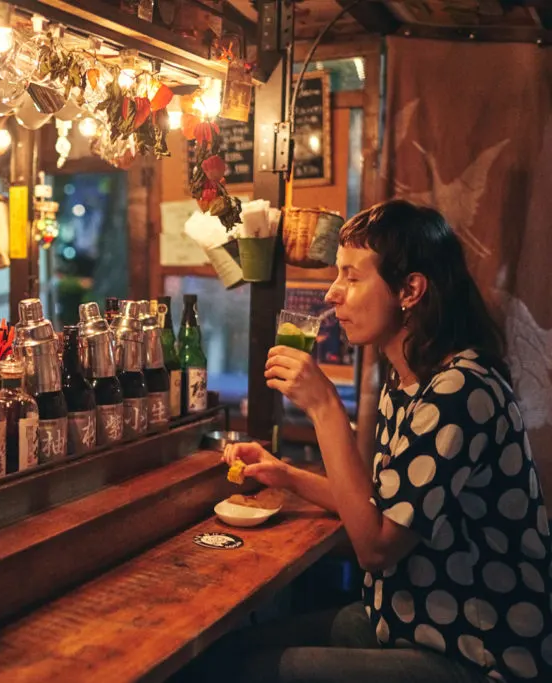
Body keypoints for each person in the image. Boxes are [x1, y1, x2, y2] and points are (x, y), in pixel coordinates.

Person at [210, 201, 551, 683]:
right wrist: (282, 473)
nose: (332, 294)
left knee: (247, 670)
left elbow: (375, 547)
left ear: (410, 289)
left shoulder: (460, 390)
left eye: (350, 276)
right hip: (412, 623)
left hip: (479, 654)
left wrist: (324, 406)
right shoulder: (410, 379)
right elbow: (382, 505)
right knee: (231, 647)